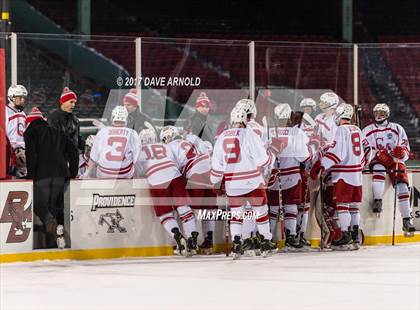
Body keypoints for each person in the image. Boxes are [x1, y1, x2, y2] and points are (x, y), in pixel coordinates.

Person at [210, 105, 273, 259]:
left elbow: (217, 165)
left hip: (233, 183)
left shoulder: (223, 136)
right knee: (260, 211)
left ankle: (237, 244)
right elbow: (263, 160)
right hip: (252, 181)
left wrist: (215, 182)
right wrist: (271, 155)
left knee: (236, 214)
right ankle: (265, 242)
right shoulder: (250, 134)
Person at [311, 104, 370, 250]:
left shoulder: (341, 130)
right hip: (357, 174)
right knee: (354, 207)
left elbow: (337, 153)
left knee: (343, 207)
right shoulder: (357, 129)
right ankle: (355, 235)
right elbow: (368, 150)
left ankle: (345, 236)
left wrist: (322, 165)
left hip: (344, 175)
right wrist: (361, 164)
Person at [135, 128, 198, 256]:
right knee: (184, 208)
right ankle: (192, 240)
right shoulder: (165, 146)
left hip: (157, 180)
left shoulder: (140, 151)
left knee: (165, 215)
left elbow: (139, 171)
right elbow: (175, 162)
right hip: (175, 175)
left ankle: (178, 235)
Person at [24, 107, 79, 249]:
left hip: (42, 176)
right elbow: (74, 151)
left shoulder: (30, 132)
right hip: (61, 176)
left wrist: (30, 176)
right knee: (55, 208)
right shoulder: (57, 132)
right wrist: (72, 173)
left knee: (40, 206)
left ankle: (53, 232)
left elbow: (32, 156)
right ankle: (56, 243)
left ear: (29, 122)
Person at [160, 125, 215, 254]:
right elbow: (206, 152)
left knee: (189, 211)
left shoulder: (169, 147)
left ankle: (192, 242)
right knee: (209, 209)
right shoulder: (191, 138)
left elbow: (173, 168)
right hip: (209, 172)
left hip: (194, 176)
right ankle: (209, 241)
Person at [362, 103, 415, 236]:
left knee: (402, 185)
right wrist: (376, 154)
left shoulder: (397, 128)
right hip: (378, 160)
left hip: (395, 161)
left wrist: (401, 153)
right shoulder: (367, 130)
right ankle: (378, 200)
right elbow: (365, 148)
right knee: (378, 172)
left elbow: (404, 145)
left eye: (382, 113)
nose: (379, 115)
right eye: (377, 113)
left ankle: (407, 219)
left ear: (387, 114)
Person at [267, 103, 311, 249]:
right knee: (290, 207)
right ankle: (291, 236)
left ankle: (270, 238)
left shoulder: (269, 131)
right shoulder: (296, 133)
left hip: (274, 176)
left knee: (273, 208)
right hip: (292, 175)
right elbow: (304, 157)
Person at [85, 106, 140, 179]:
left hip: (104, 173)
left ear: (112, 117)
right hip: (124, 174)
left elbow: (93, 159)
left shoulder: (102, 132)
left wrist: (85, 175)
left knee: (96, 166)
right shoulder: (133, 133)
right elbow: (136, 159)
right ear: (126, 119)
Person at [48, 87, 84, 151]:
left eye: (75, 102)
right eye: (71, 102)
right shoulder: (54, 117)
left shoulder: (75, 119)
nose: (73, 105)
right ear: (63, 102)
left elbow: (78, 139)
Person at [5, 85, 28, 178]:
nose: (23, 100)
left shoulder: (22, 113)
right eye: (20, 97)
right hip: (11, 150)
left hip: (22, 150)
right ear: (11, 97)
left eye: (24, 98)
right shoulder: (5, 111)